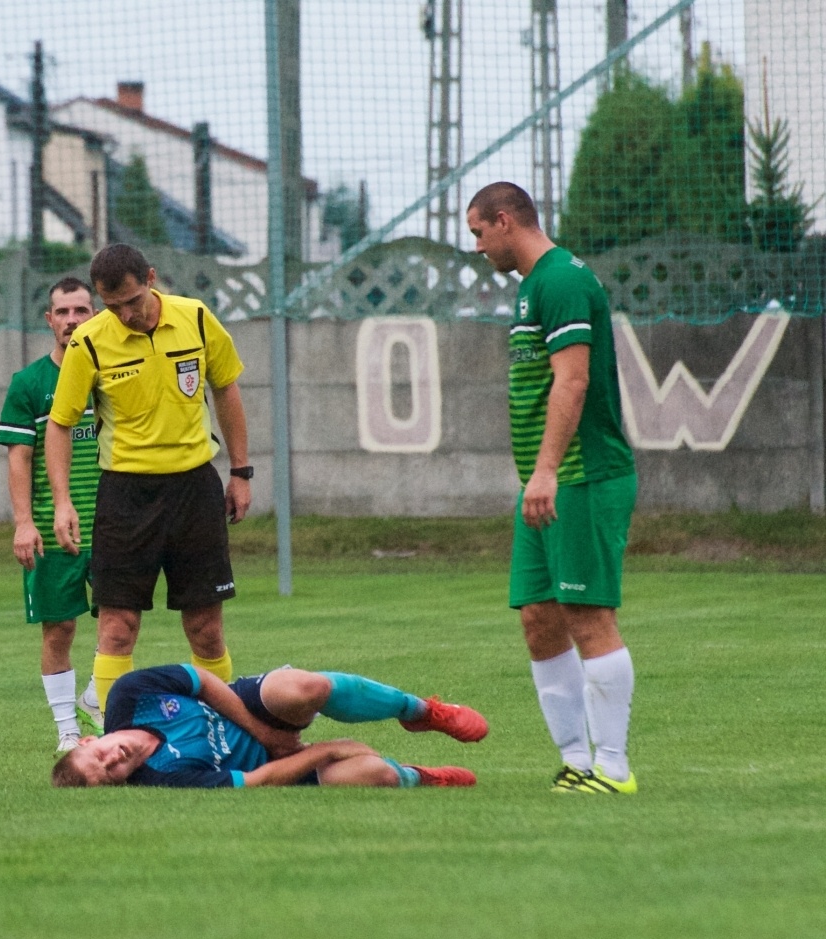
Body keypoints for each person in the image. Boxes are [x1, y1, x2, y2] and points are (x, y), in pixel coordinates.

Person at [467, 182, 639, 795]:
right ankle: (577, 761)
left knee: (588, 615)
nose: (479, 247)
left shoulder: (562, 280)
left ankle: (613, 768)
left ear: (505, 221)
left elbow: (572, 381)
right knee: (540, 617)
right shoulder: (532, 288)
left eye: (479, 233)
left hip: (580, 476)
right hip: (545, 483)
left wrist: (545, 471)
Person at [45, 244, 251, 714]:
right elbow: (60, 423)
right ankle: (113, 736)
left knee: (206, 627)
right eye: (111, 306)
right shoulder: (90, 341)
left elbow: (226, 388)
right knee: (117, 626)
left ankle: (220, 726)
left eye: (132, 301)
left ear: (152, 278)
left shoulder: (196, 319)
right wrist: (62, 502)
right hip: (125, 495)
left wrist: (240, 472)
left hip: (194, 488)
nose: (124, 314)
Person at [51, 662, 486, 789]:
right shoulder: (163, 778)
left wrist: (266, 732)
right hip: (277, 762)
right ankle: (421, 778)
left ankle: (420, 712)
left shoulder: (129, 695)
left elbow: (202, 680)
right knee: (377, 774)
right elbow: (256, 779)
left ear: (89, 738)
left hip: (250, 709)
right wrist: (327, 750)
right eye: (111, 773)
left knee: (303, 688)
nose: (113, 759)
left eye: (98, 754)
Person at [0, 277, 105, 751]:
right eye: (63, 313)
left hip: (113, 523)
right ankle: (67, 730)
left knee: (120, 619)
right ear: (49, 320)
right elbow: (18, 456)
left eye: (81, 311)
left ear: (96, 315)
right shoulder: (29, 383)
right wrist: (24, 521)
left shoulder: (112, 374)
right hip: (50, 524)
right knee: (59, 627)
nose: (72, 321)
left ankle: (99, 695)